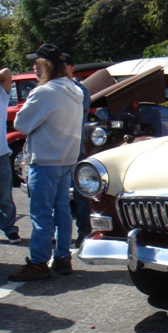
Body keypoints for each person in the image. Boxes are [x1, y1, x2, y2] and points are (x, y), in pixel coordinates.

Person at [9, 44, 84, 281]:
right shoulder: (76, 90)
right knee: (62, 211)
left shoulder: (44, 92)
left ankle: (39, 262)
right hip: (66, 159)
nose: (34, 67)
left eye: (36, 63)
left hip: (45, 161)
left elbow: (21, 124)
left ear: (46, 65)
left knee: (41, 214)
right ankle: (63, 257)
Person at [64, 53, 91, 248]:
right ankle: (57, 235)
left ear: (71, 68)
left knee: (81, 194)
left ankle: (84, 232)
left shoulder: (80, 90)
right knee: (58, 197)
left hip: (75, 147)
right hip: (56, 151)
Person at [0, 67, 22, 245]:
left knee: (5, 196)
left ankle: (9, 229)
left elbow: (7, 72)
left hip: (1, 153)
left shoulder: (2, 93)